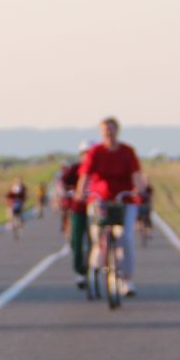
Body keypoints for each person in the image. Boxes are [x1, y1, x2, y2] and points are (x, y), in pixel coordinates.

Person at [75, 117, 148, 296]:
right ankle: (95, 265)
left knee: (125, 237)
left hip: (124, 199)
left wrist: (139, 190)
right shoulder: (95, 152)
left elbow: (136, 175)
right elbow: (84, 176)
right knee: (98, 236)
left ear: (118, 131)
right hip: (99, 199)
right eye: (105, 129)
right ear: (101, 132)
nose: (109, 132)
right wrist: (80, 194)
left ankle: (127, 279)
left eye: (112, 129)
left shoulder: (127, 152)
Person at [57, 149, 88, 286]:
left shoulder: (100, 168)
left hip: (98, 207)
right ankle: (80, 272)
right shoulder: (75, 168)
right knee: (76, 239)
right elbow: (61, 183)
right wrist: (64, 193)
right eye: (85, 154)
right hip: (77, 208)